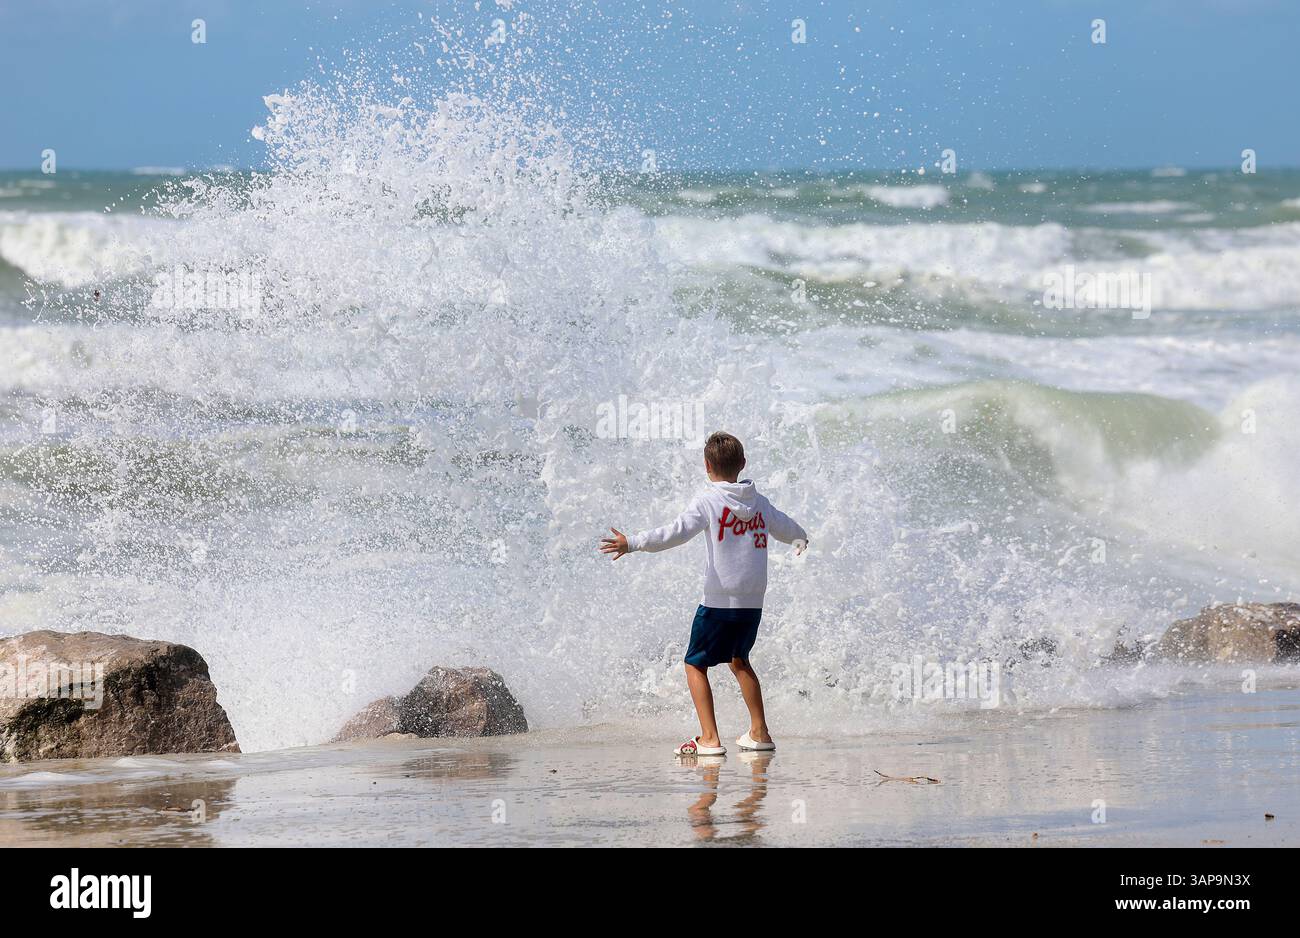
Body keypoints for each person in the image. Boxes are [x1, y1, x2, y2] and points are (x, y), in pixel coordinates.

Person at [600, 431, 808, 756]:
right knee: (740, 660)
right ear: (743, 463)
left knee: (695, 664)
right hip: (752, 602)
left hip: (718, 600)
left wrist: (633, 543)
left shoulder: (708, 500)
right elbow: (788, 528)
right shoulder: (760, 504)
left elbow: (676, 533)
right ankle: (760, 732)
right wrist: (800, 539)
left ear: (707, 466)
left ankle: (709, 738)